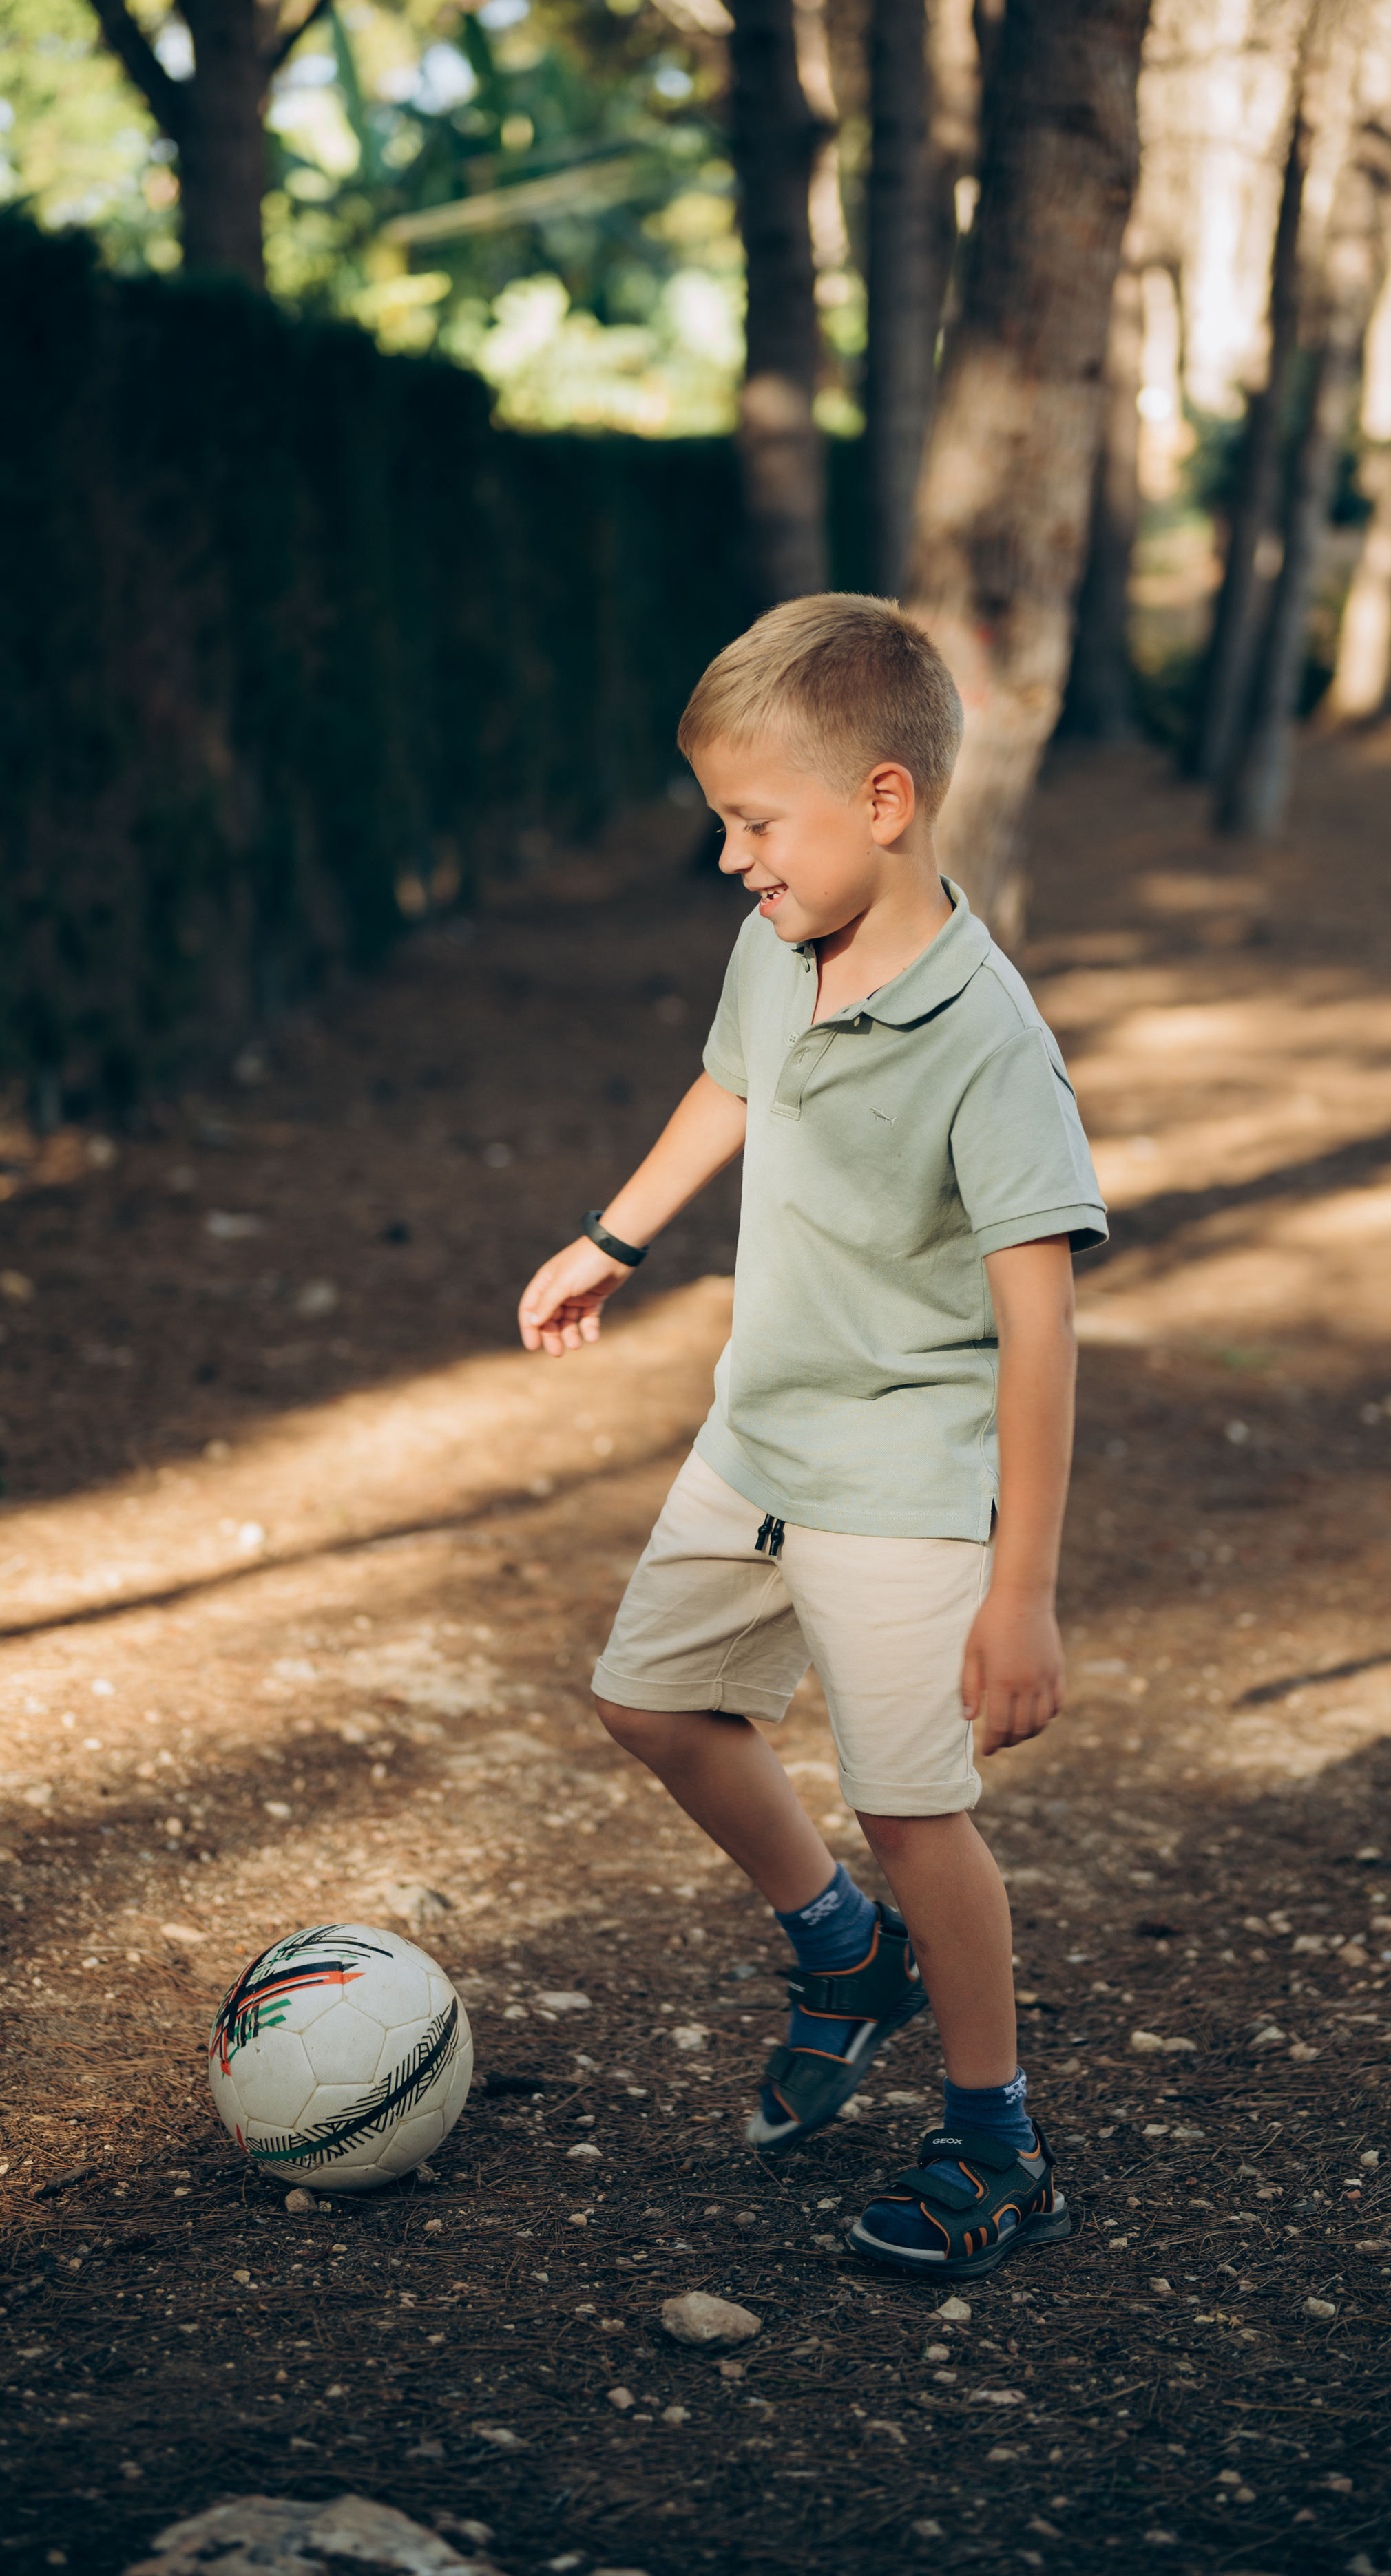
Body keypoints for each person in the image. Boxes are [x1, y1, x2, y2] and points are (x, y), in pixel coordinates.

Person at [515, 595, 1107, 2278]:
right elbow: (730, 1081)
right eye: (723, 824)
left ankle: (995, 2140)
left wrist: (1022, 1590)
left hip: (906, 1487)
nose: (730, 861)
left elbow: (1039, 1329)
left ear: (884, 799)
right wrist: (612, 1237)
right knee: (650, 1700)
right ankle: (839, 1949)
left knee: (917, 1814)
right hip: (754, 1443)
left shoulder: (991, 1044)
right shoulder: (778, 944)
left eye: (752, 823)